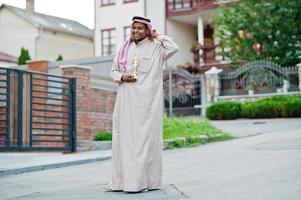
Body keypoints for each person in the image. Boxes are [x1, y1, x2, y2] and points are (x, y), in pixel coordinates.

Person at [107, 16, 178, 192]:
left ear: (147, 30)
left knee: (145, 141)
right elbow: (113, 71)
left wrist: (158, 35)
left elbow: (174, 48)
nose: (136, 31)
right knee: (124, 140)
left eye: (140, 28)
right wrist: (121, 77)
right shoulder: (124, 48)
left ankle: (145, 182)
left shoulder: (157, 47)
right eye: (134, 28)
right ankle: (122, 182)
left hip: (147, 105)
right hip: (125, 102)